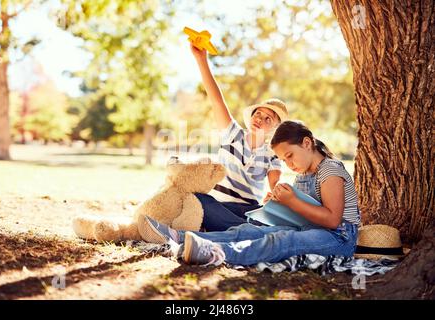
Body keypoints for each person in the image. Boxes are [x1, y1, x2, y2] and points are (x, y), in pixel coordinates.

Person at [138, 120, 361, 267]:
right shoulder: (304, 174)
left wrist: (292, 201)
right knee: (248, 230)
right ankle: (180, 238)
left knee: (280, 240)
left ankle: (215, 252)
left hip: (338, 238)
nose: (288, 164)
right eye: (284, 160)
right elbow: (305, 212)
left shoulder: (330, 169)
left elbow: (332, 220)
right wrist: (280, 204)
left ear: (307, 143)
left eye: (290, 156)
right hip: (310, 228)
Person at [189, 44, 288, 231]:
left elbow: (275, 183)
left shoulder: (272, 154)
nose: (260, 119)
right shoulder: (232, 134)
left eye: (268, 119)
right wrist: (202, 60)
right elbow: (216, 99)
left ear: (273, 128)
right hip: (219, 206)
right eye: (258, 114)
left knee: (271, 216)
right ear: (251, 116)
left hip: (250, 210)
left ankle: (240, 229)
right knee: (197, 200)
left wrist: (275, 195)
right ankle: (247, 231)